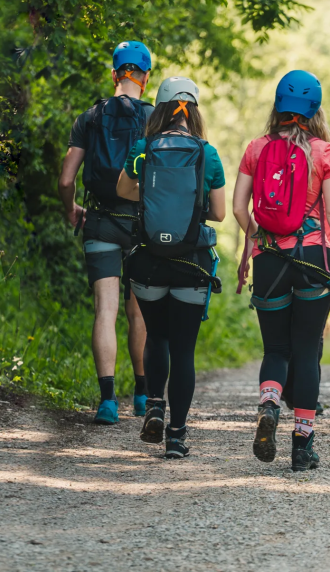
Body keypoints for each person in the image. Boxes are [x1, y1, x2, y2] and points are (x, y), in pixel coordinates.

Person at [232, 70, 330, 472]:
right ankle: (302, 446)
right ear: (314, 110)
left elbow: (239, 208)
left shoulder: (256, 148)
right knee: (307, 351)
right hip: (313, 261)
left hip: (269, 258)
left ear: (278, 106)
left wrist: (258, 240)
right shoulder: (325, 153)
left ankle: (270, 403)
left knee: (275, 349)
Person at [116, 77, 226, 458]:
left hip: (148, 263)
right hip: (189, 264)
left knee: (156, 338)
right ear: (194, 112)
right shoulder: (207, 153)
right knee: (183, 350)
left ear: (159, 109)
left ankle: (154, 407)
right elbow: (220, 213)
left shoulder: (144, 148)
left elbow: (122, 191)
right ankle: (177, 436)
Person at [58, 41, 153, 425]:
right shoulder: (155, 118)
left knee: (106, 310)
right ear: (145, 78)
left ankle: (108, 401)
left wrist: (71, 209)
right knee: (139, 312)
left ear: (114, 74)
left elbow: (67, 179)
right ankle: (144, 396)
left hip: (99, 221)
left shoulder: (89, 117)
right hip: (143, 226)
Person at [280, 174, 330, 414]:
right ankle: (305, 394)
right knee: (313, 334)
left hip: (284, 252)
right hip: (329, 257)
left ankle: (287, 388)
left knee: (287, 325)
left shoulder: (287, 172)